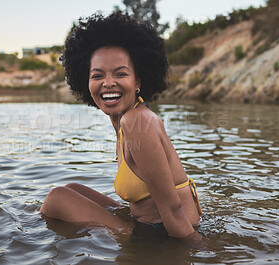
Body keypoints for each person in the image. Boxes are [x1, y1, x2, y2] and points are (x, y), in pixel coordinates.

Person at [40, 11, 203, 244]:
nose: (108, 83)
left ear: (137, 81)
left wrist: (203, 254)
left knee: (57, 198)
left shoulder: (138, 122)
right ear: (86, 82)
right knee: (72, 188)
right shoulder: (126, 121)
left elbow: (174, 210)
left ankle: (22, 235)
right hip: (149, 226)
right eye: (98, 75)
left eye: (120, 73)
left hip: (164, 237)